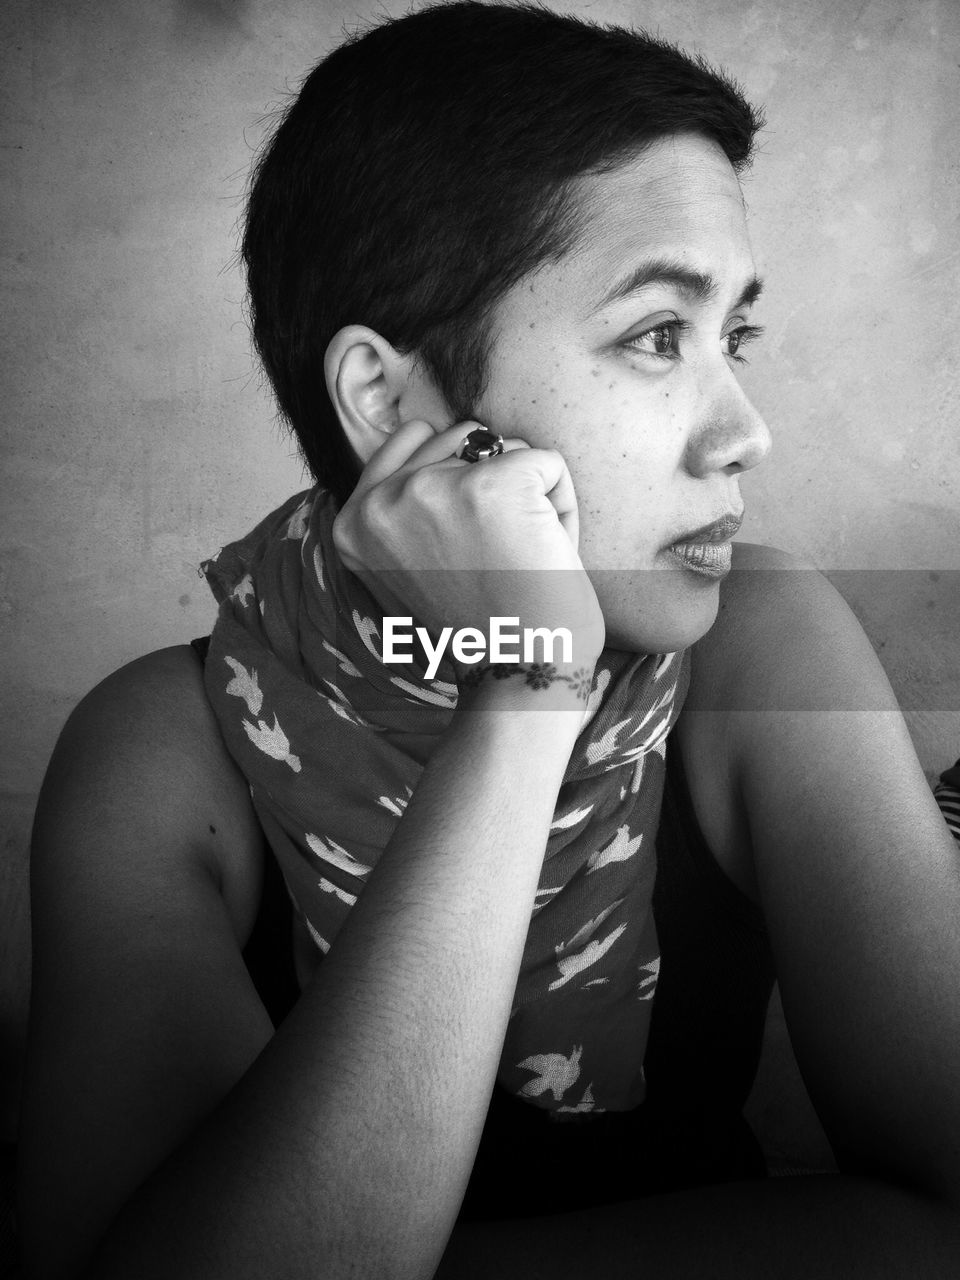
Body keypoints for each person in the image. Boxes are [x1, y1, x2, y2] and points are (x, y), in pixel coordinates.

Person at [17, 3, 960, 1277]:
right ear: (388, 400)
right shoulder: (160, 755)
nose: (746, 431)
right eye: (654, 335)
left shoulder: (760, 643)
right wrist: (528, 686)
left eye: (733, 333)